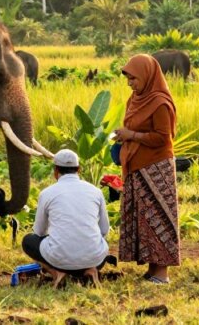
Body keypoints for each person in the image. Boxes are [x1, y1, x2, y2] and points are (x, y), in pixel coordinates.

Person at [113, 54, 180, 284]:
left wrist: (131, 135)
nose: (130, 83)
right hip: (136, 165)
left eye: (133, 78)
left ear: (147, 76)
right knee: (143, 218)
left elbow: (163, 138)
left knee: (158, 217)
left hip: (156, 168)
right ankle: (151, 269)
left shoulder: (160, 103)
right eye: (128, 79)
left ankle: (161, 273)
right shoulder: (134, 100)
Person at [21, 149, 111, 288]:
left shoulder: (47, 193)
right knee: (100, 243)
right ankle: (90, 270)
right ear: (78, 169)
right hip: (94, 258)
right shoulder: (96, 191)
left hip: (58, 259)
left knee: (28, 241)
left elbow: (39, 232)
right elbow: (104, 230)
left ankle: (57, 273)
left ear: (56, 171)